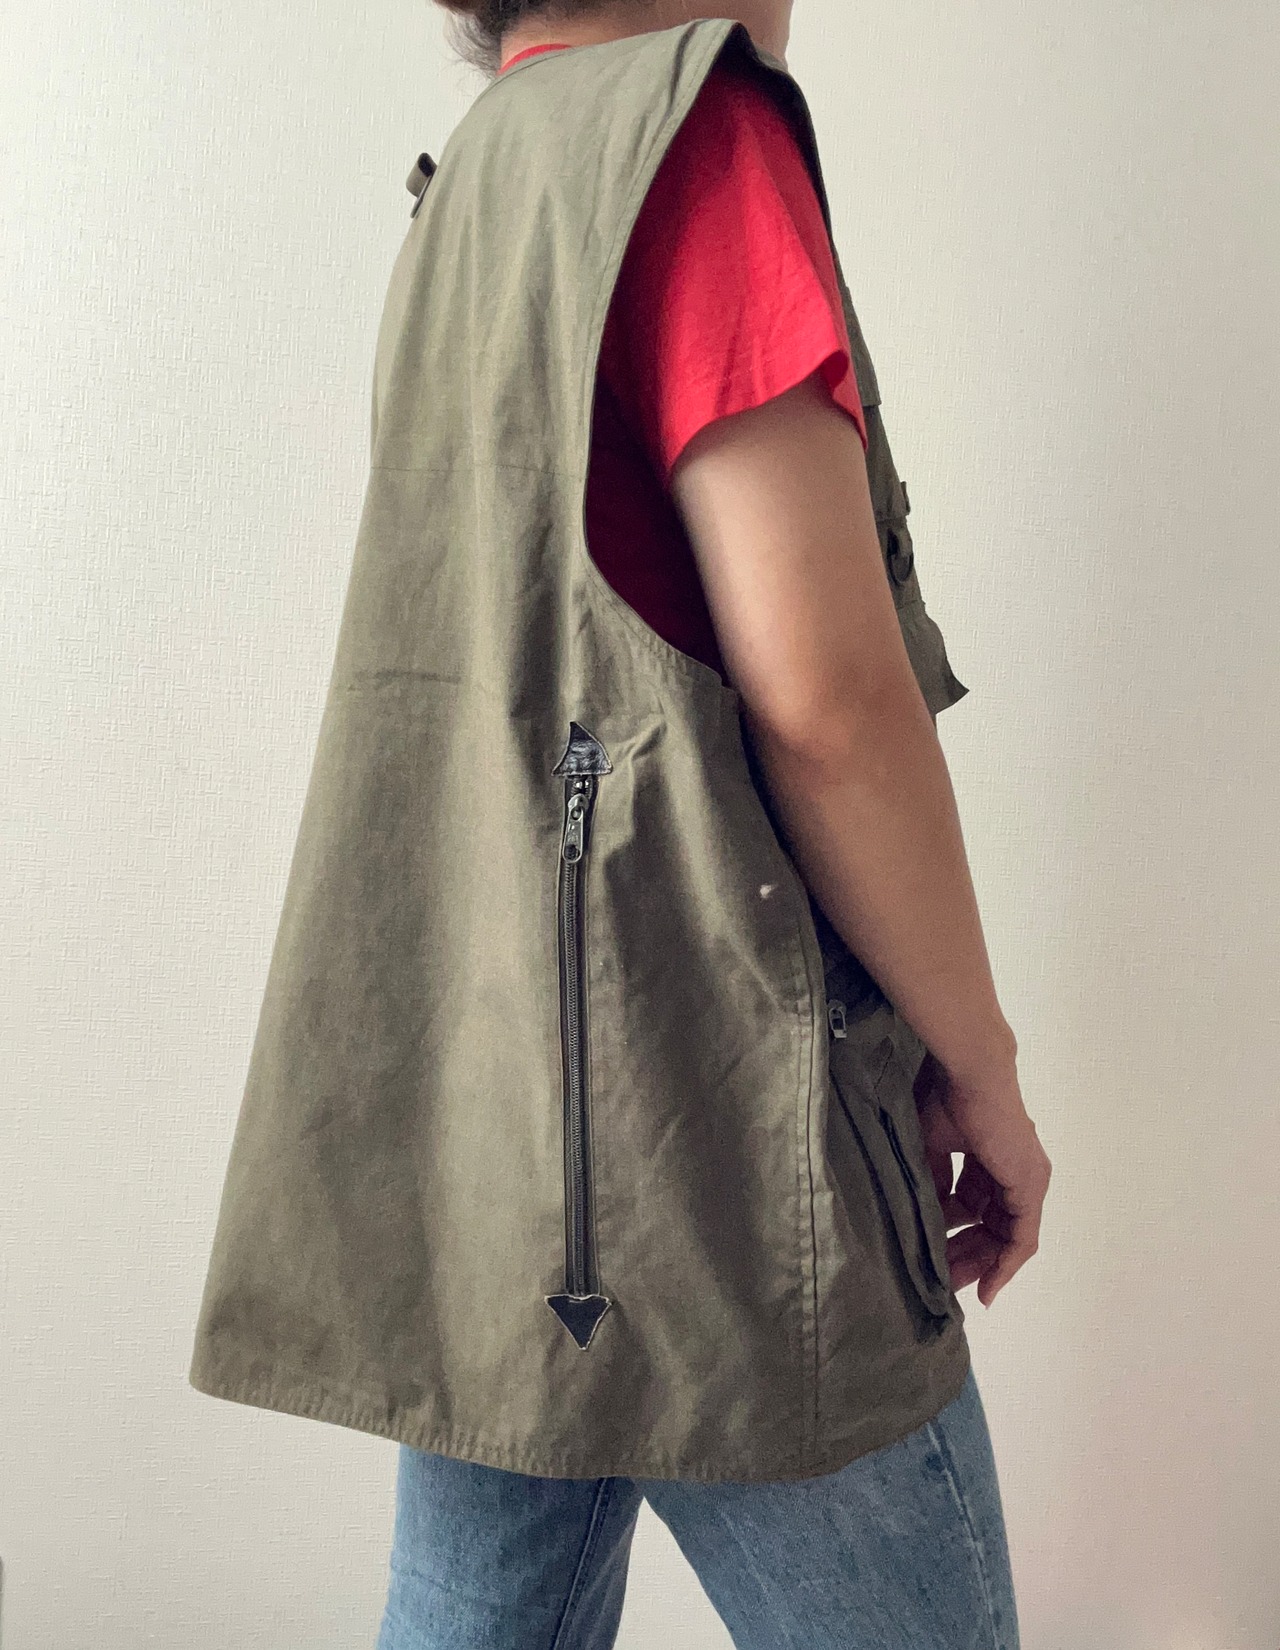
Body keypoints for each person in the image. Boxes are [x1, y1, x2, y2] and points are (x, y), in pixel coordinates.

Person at [366, 1, 1053, 1646]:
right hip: (723, 1151)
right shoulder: (695, 141)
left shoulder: (482, 170)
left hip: (502, 1129)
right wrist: (982, 1064)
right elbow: (829, 703)